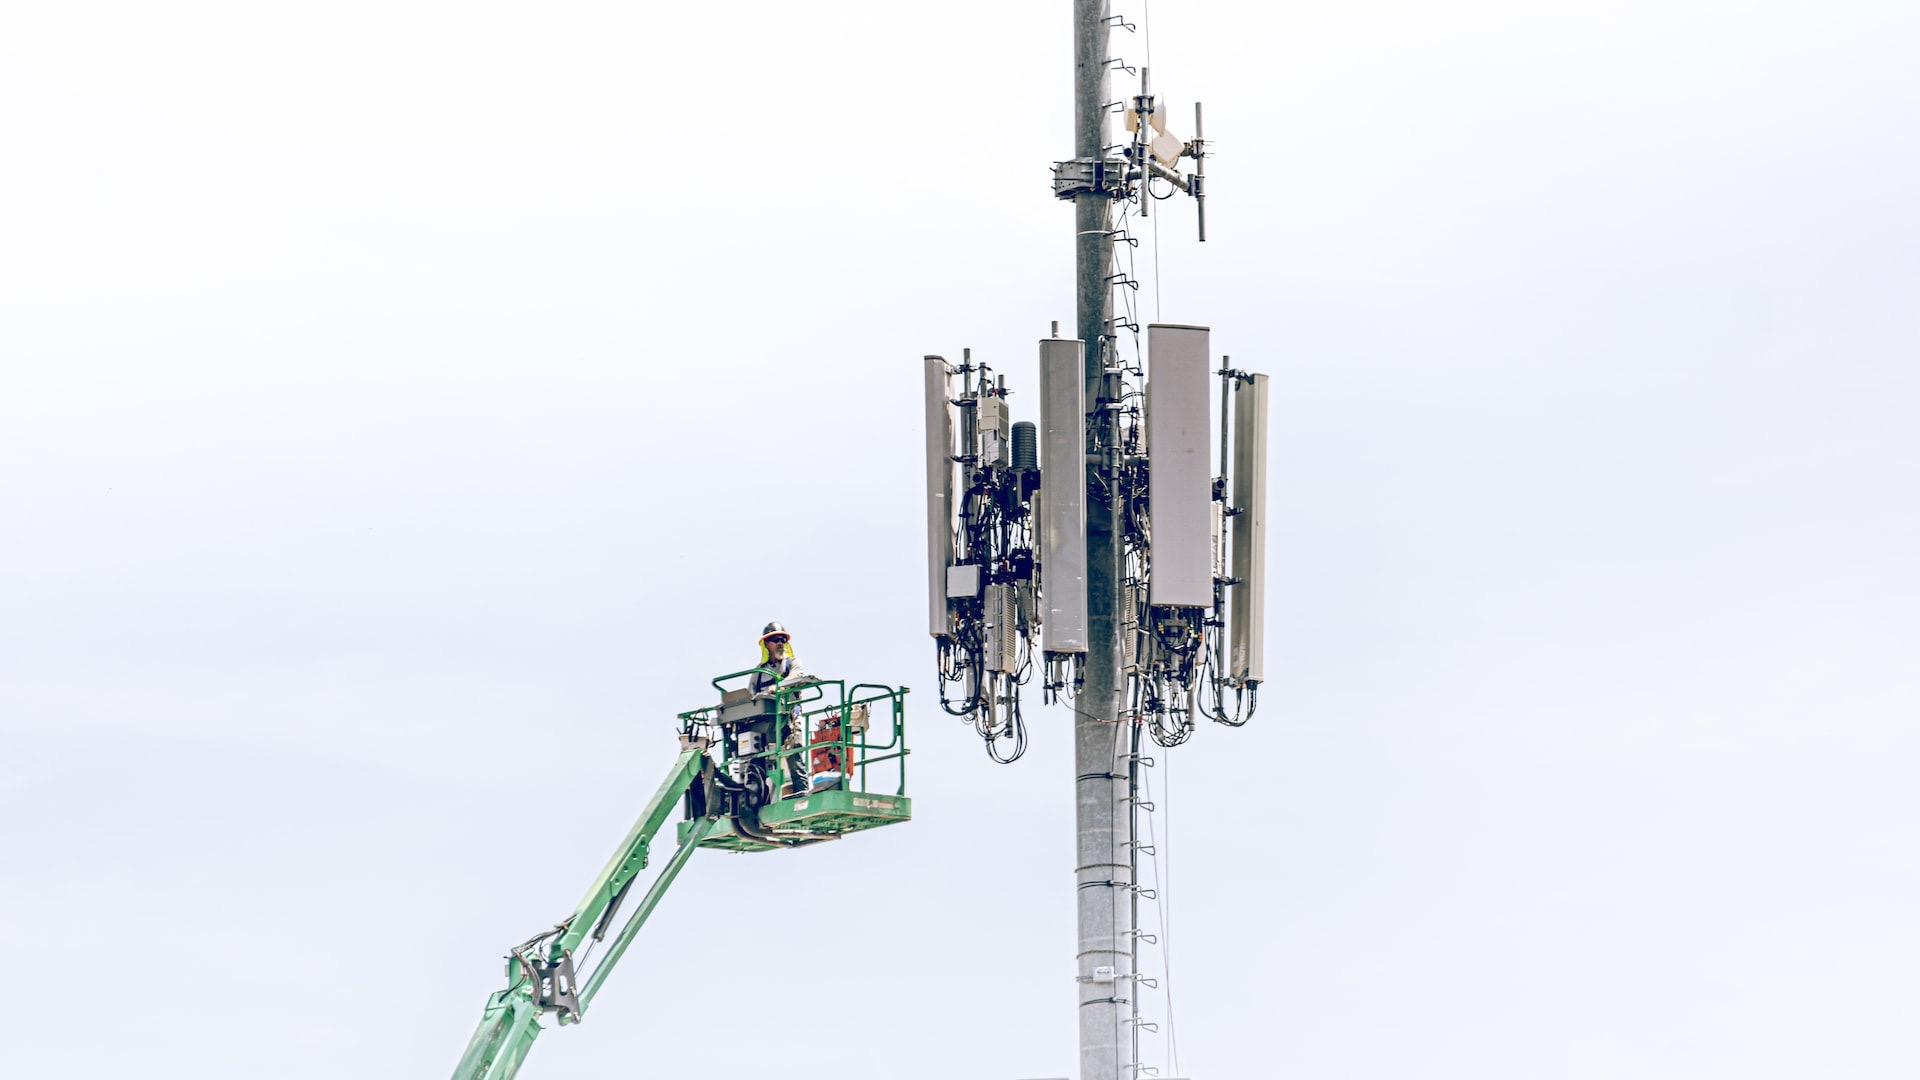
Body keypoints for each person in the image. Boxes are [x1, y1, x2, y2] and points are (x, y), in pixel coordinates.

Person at [749, 622, 810, 797]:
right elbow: (750, 695)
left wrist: (780, 686)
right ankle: (757, 793)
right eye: (775, 640)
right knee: (756, 754)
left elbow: (797, 676)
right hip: (767, 722)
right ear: (766, 645)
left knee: (794, 752)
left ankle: (802, 791)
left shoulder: (792, 664)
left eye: (783, 639)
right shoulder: (759, 673)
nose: (780, 643)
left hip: (788, 718)